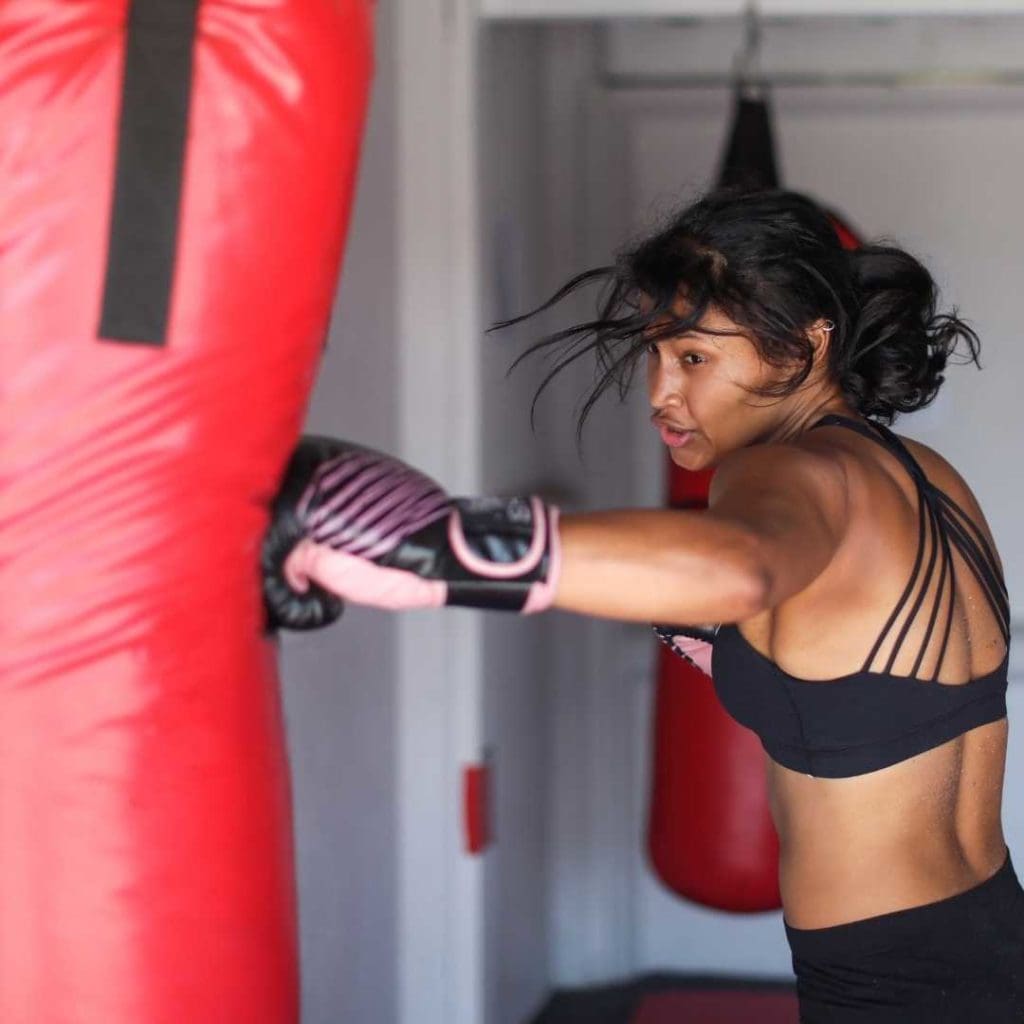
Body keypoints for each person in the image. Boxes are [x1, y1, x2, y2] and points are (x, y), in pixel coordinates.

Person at [263, 188, 1023, 1021]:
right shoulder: (921, 475)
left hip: (888, 988)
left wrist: (442, 545)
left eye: (693, 358)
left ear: (803, 349)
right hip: (990, 933)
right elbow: (850, 666)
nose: (660, 392)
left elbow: (740, 568)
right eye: (654, 356)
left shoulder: (782, 472)